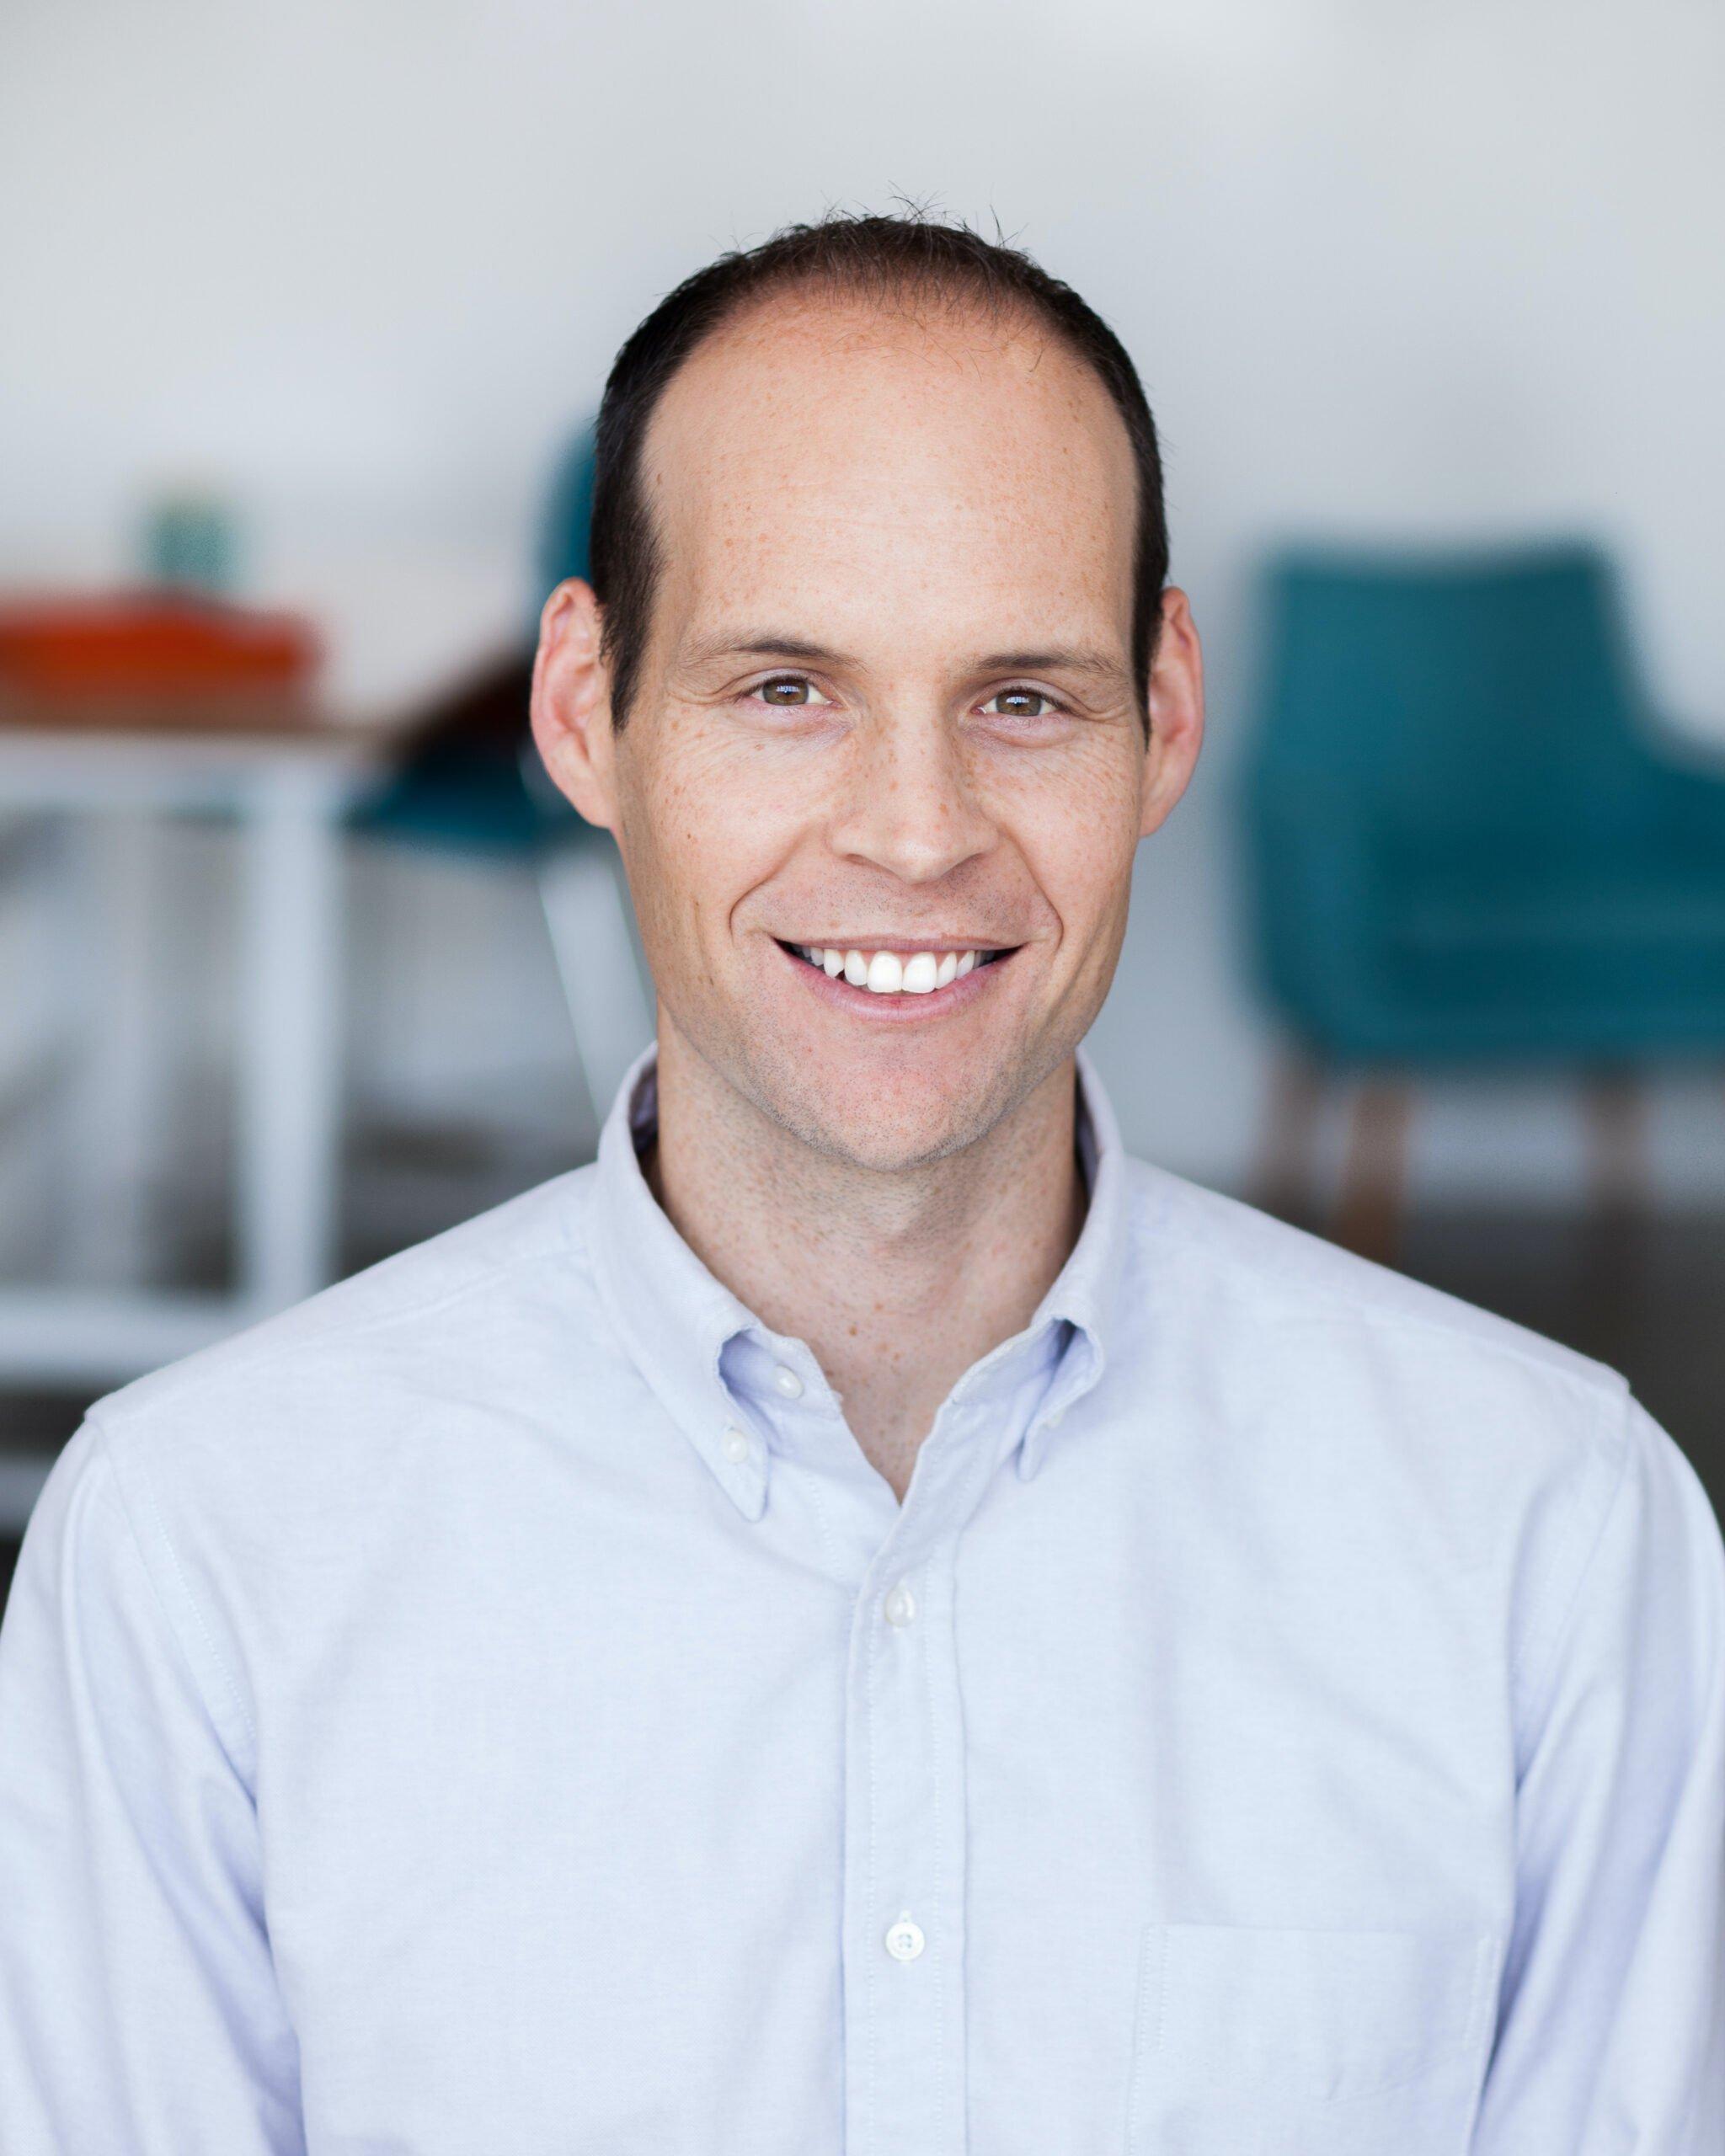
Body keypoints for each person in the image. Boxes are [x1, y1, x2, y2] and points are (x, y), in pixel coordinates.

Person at [1, 212, 1720, 2155]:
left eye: (1022, 698)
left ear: (1162, 717)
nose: (915, 834)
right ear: (582, 711)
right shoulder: (201, 1551)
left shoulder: (1549, 1536)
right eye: (784, 689)